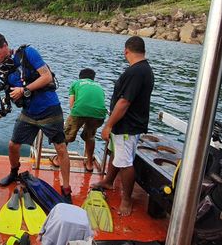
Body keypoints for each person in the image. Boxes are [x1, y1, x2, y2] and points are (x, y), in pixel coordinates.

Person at [0, 33, 72, 202]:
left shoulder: (28, 53)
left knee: (61, 148)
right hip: (28, 112)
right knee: (13, 145)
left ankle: (66, 188)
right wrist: (11, 98)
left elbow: (46, 76)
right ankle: (14, 172)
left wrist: (24, 90)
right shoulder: (1, 71)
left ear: (5, 45)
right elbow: (11, 93)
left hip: (49, 108)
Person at [93, 36, 154, 216]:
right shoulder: (145, 69)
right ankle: (108, 181)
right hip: (128, 124)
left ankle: (127, 199)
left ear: (126, 50)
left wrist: (108, 125)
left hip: (127, 126)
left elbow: (124, 102)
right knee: (116, 153)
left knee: (125, 162)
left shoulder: (136, 71)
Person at [63, 68, 107, 172]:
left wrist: (76, 121)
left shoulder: (76, 83)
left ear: (80, 77)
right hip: (99, 114)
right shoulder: (99, 86)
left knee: (66, 134)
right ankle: (89, 163)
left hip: (79, 111)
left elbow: (71, 105)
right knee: (90, 136)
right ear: (93, 78)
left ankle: (59, 160)